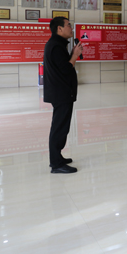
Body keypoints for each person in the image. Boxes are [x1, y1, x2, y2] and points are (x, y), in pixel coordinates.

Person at [43, 17, 82, 174]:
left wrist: (72, 54)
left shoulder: (57, 44)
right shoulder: (56, 46)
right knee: (59, 128)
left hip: (61, 92)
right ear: (59, 29)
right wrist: (75, 56)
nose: (71, 28)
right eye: (68, 25)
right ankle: (56, 164)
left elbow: (62, 66)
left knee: (61, 127)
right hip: (61, 93)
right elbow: (65, 69)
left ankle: (57, 157)